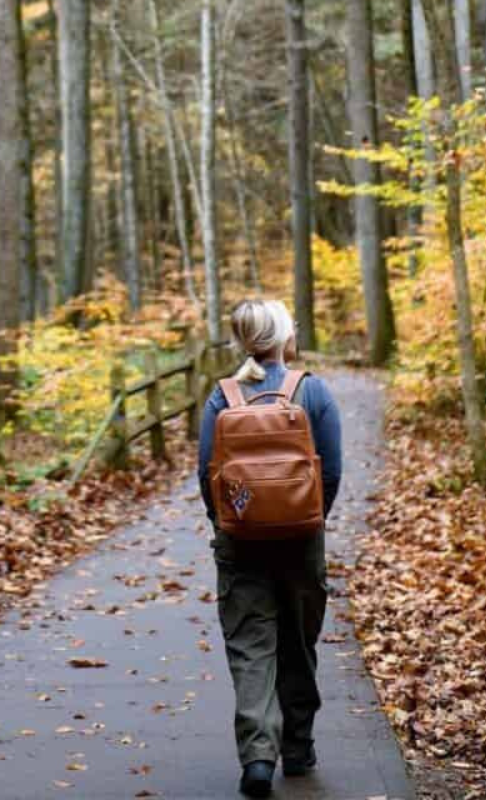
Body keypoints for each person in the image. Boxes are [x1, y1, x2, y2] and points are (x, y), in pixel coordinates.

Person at [197, 299, 342, 798]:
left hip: (240, 542)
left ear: (240, 341)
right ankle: (298, 750)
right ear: (285, 336)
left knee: (250, 646)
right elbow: (333, 472)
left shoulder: (222, 398)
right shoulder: (312, 390)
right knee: (298, 643)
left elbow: (205, 475)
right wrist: (308, 519)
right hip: (303, 540)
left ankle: (258, 758)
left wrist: (230, 524)